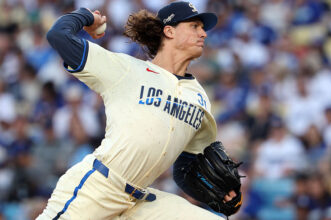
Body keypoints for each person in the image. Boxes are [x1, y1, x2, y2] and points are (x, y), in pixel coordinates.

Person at [38, 1, 237, 219]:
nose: (204, 34)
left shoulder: (199, 98)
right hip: (97, 190)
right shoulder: (126, 70)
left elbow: (185, 170)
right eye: (195, 26)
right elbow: (58, 35)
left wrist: (220, 195)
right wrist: (87, 16)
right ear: (169, 31)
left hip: (140, 203)